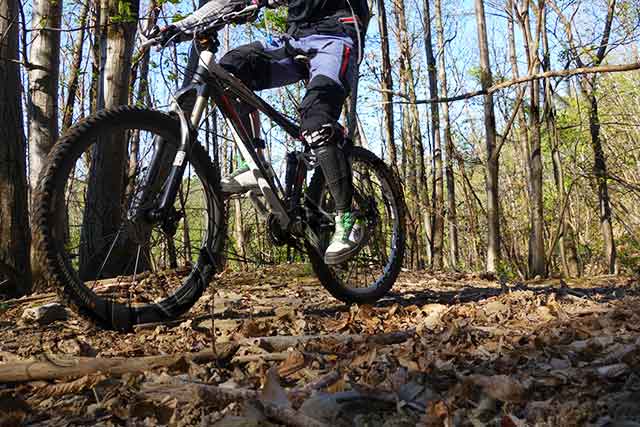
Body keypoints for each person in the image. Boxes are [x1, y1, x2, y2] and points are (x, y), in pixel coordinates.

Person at [171, 0, 370, 265]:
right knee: (229, 70)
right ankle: (254, 161)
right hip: (293, 40)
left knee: (316, 120)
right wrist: (178, 26)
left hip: (336, 37)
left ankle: (347, 218)